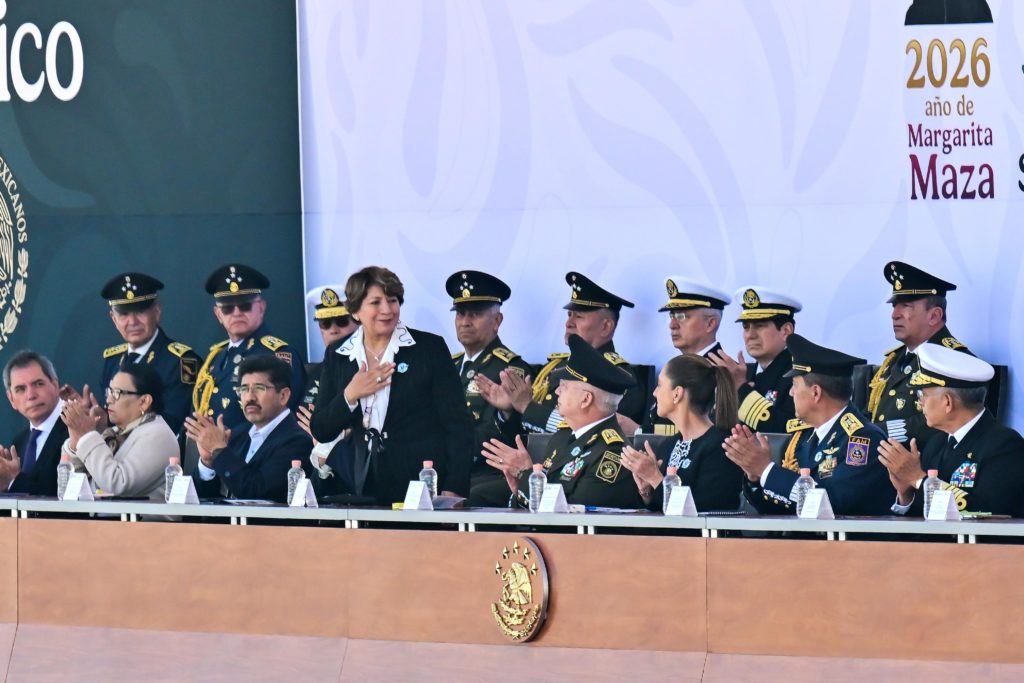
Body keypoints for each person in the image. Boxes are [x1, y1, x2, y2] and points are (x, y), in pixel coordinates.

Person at [310, 266, 474, 504]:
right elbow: (322, 429)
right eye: (375, 302)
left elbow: (458, 425)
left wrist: (454, 488)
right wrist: (350, 394)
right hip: (364, 488)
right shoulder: (338, 354)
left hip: (422, 487)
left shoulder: (428, 348)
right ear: (355, 311)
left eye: (393, 300)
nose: (387, 310)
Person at [723, 334, 893, 516]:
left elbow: (833, 503)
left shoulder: (863, 439)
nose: (790, 392)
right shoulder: (805, 438)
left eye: (795, 385)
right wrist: (756, 476)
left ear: (816, 393)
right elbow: (782, 507)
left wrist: (766, 470)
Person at [479, 334, 641, 508]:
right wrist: (519, 490)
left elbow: (574, 517)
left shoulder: (613, 454)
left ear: (585, 399)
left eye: (564, 387)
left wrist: (526, 475)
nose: (557, 392)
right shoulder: (563, 437)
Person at [476, 272, 645, 435]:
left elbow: (593, 432)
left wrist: (528, 407)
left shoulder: (618, 378)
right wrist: (509, 410)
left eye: (578, 316)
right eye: (569, 315)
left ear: (606, 326)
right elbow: (525, 435)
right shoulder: (556, 367)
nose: (568, 323)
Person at [879, 343, 1024, 517]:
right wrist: (906, 493)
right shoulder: (937, 442)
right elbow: (924, 517)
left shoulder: (1004, 445)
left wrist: (917, 478)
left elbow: (985, 510)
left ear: (947, 402)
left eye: (923, 395)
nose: (920, 403)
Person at [446, 270, 533, 502]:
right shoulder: (450, 365)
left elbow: (494, 434)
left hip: (487, 472)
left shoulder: (511, 370)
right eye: (461, 314)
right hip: (447, 467)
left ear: (497, 321)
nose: (465, 321)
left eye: (475, 314)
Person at [867, 261, 971, 449]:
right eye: (894, 306)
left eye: (906, 306)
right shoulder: (894, 359)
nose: (895, 315)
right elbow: (872, 410)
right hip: (883, 456)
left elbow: (944, 422)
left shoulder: (956, 362)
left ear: (934, 316)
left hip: (921, 465)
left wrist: (876, 433)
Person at [621, 355, 743, 512]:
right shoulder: (668, 445)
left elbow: (705, 509)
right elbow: (661, 510)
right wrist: (647, 491)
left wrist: (655, 478)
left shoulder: (722, 447)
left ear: (677, 394)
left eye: (659, 385)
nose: (654, 393)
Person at [192, 263, 306, 431]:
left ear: (261, 308)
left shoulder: (278, 355)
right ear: (218, 314)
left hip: (256, 452)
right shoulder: (215, 358)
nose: (237, 313)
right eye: (228, 308)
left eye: (245, 306)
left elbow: (284, 419)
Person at [186, 355, 313, 503]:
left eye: (259, 388)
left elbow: (257, 493)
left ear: (283, 396)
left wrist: (219, 450)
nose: (250, 397)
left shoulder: (298, 440)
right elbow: (203, 502)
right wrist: (208, 462)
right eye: (244, 389)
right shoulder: (237, 435)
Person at [98, 272, 200, 434]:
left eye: (140, 311)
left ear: (157, 311)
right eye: (124, 314)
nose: (132, 322)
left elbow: (175, 422)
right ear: (113, 318)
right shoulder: (112, 360)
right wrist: (97, 416)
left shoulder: (182, 361)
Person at [59, 364, 178, 500]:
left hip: (141, 521)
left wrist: (87, 435)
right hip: (100, 521)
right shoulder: (115, 432)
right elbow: (70, 493)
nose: (108, 400)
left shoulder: (158, 435)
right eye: (109, 392)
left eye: (117, 393)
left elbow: (116, 485)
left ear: (144, 401)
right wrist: (76, 440)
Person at [637, 277, 731, 436]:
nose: (672, 324)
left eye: (681, 316)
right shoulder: (676, 368)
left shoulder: (721, 371)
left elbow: (711, 431)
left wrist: (639, 431)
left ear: (710, 324)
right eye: (672, 316)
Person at [709, 287, 800, 434]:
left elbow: (788, 431)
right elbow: (717, 430)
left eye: (760, 325)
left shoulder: (800, 375)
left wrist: (740, 388)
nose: (750, 335)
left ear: (786, 331)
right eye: (746, 327)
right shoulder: (745, 371)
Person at [298, 285, 359, 497]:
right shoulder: (313, 374)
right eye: (325, 323)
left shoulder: (366, 369)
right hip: (313, 471)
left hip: (353, 467)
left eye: (342, 321)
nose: (333, 329)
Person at [0, 351, 68, 496]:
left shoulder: (75, 431)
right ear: (11, 399)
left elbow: (62, 499)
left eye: (38, 384)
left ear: (55, 385)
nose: (31, 395)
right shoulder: (19, 442)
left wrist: (13, 479)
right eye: (20, 389)